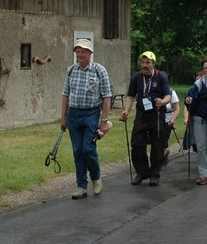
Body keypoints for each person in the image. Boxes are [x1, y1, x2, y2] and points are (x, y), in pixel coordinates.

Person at [60, 39, 112, 200]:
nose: (80, 54)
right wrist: (63, 118)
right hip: (73, 114)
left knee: (87, 149)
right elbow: (65, 95)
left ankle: (96, 179)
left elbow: (106, 96)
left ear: (90, 53)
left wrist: (104, 120)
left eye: (83, 51)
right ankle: (81, 186)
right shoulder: (71, 71)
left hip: (91, 114)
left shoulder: (99, 71)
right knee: (77, 151)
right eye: (78, 51)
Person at [121, 51, 171, 187]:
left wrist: (163, 101)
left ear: (153, 63)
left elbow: (168, 96)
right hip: (141, 116)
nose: (145, 65)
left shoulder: (160, 77)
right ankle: (142, 172)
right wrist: (126, 110)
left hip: (157, 116)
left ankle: (154, 175)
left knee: (157, 146)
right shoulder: (136, 78)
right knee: (137, 144)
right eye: (143, 62)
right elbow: (130, 96)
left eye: (148, 62)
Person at [160, 83, 180, 168]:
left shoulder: (171, 92)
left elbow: (177, 109)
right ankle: (162, 156)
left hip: (167, 119)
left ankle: (159, 162)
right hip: (155, 119)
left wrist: (172, 120)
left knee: (163, 141)